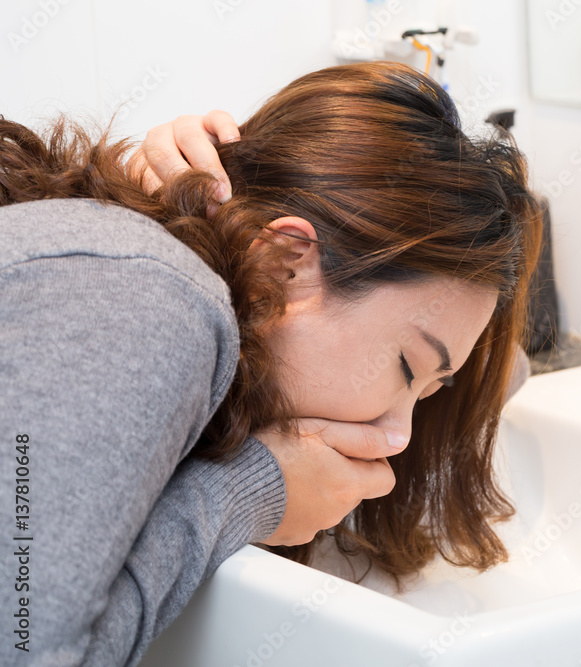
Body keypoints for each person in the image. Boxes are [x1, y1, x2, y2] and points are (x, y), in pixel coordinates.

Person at [0, 61, 540, 666]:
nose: (398, 436)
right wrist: (250, 491)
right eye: (407, 370)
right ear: (286, 262)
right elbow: (27, 649)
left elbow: (505, 367)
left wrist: (212, 208)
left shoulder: (148, 279)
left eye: (429, 390)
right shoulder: (150, 296)